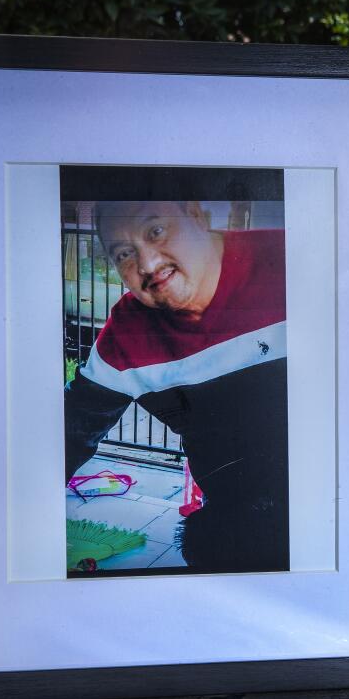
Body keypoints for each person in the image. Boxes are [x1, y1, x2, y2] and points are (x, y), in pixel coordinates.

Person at [64, 199, 289, 573]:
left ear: (197, 216)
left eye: (156, 231)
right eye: (124, 254)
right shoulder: (126, 339)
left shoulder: (292, 261)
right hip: (232, 531)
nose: (147, 265)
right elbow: (66, 434)